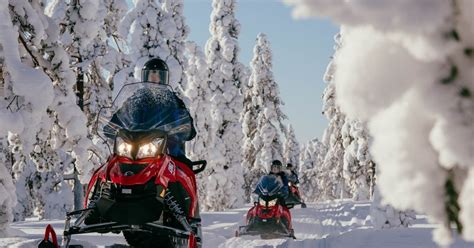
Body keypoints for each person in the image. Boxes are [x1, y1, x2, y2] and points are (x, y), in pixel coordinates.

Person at [106, 58, 196, 164]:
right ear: (145, 77)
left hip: (165, 148)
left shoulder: (172, 100)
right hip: (135, 146)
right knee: (110, 167)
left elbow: (181, 119)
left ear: (162, 78)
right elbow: (122, 116)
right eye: (151, 75)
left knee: (183, 168)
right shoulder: (136, 99)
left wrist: (184, 128)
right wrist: (112, 127)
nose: (154, 78)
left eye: (157, 75)